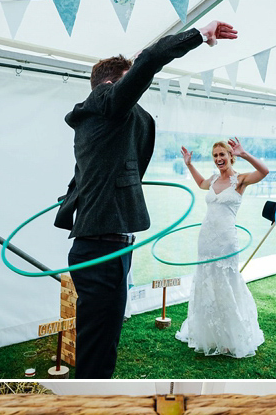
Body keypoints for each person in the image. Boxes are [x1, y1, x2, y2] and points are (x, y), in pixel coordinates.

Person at [54, 20, 237, 378]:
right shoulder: (107, 104)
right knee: (98, 349)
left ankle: (92, 408)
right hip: (103, 249)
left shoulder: (96, 121)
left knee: (102, 343)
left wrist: (133, 64)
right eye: (129, 79)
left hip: (104, 246)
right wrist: (200, 34)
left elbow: (86, 178)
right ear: (114, 82)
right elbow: (151, 60)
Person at [175, 138, 268, 358]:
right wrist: (189, 164)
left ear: (230, 155)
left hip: (226, 240)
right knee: (207, 282)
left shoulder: (240, 180)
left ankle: (229, 337)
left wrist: (245, 153)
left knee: (226, 283)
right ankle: (208, 333)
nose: (218, 159)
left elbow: (264, 171)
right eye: (215, 155)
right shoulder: (214, 178)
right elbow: (200, 185)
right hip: (205, 238)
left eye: (222, 155)